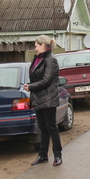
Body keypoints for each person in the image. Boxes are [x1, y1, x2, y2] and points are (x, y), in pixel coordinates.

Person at [24, 35, 63, 166]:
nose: (35, 48)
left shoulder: (50, 60)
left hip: (48, 98)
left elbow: (47, 80)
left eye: (36, 45)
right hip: (38, 97)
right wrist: (31, 86)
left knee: (51, 127)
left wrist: (30, 87)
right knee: (42, 128)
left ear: (43, 45)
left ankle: (57, 155)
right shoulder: (38, 59)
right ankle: (42, 155)